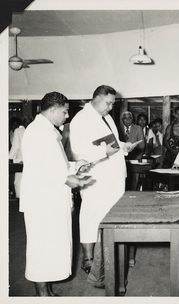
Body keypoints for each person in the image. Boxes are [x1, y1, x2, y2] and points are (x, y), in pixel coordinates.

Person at [20, 92, 92, 296]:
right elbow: (44, 171)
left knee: (49, 248)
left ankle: (47, 291)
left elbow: (53, 165)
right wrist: (72, 180)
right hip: (42, 202)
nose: (67, 115)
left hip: (49, 200)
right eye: (65, 111)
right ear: (52, 110)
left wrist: (75, 166)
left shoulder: (47, 131)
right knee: (40, 249)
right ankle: (42, 294)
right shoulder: (39, 133)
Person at [70, 85, 134, 274]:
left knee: (110, 216)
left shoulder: (106, 117)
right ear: (97, 98)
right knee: (91, 215)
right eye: (108, 103)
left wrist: (124, 146)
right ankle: (88, 258)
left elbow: (112, 142)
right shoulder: (80, 119)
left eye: (113, 104)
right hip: (95, 176)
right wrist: (102, 152)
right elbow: (78, 151)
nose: (111, 107)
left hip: (113, 177)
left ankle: (108, 255)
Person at [9, 117, 26, 198]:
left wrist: (9, 158)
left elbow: (15, 147)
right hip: (26, 161)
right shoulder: (27, 130)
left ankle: (19, 201)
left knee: (18, 182)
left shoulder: (18, 131)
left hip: (19, 161)